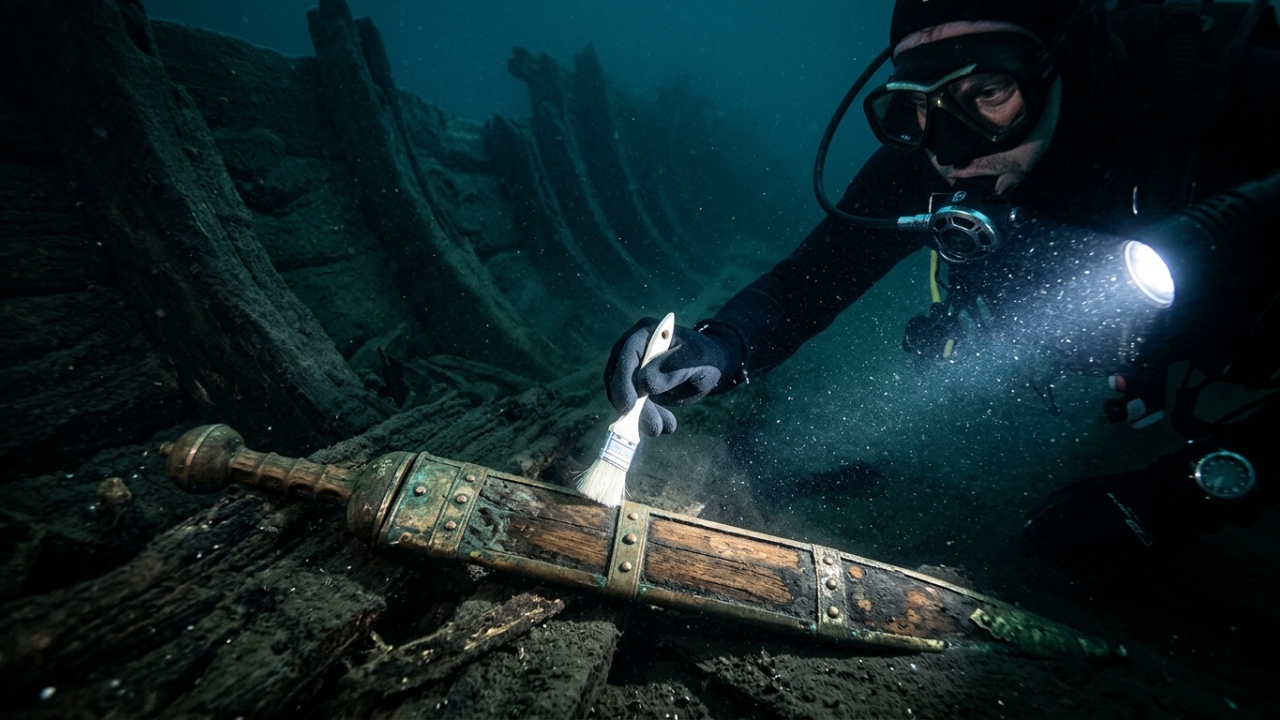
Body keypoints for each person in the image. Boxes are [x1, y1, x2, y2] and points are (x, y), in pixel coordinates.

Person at [603, 0, 1280, 575]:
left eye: (988, 92)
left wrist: (1191, 489)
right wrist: (721, 346)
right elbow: (812, 280)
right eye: (917, 108)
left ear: (1062, 63)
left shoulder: (1238, 112)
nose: (952, 153)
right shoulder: (928, 154)